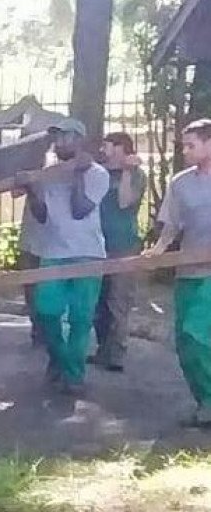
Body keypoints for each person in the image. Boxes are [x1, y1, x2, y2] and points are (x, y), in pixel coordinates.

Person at [16, 118, 108, 396]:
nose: (60, 143)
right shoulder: (46, 174)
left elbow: (80, 210)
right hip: (52, 253)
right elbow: (41, 216)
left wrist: (77, 174)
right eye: (57, 138)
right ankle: (59, 360)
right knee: (46, 312)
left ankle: (74, 374)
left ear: (80, 141)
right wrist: (32, 189)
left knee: (81, 318)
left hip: (88, 255)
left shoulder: (96, 174)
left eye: (67, 137)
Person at [145, 119, 211, 427]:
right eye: (184, 145)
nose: (185, 151)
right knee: (184, 342)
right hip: (188, 271)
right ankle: (205, 402)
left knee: (197, 334)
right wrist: (159, 249)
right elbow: (172, 225)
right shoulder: (181, 183)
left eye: (191, 145)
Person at [92, 131, 147, 371]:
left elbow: (125, 202)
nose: (103, 150)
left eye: (108, 146)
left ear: (121, 148)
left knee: (118, 300)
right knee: (98, 301)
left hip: (123, 245)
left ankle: (116, 354)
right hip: (97, 244)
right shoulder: (99, 173)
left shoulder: (136, 175)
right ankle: (103, 349)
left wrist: (126, 170)